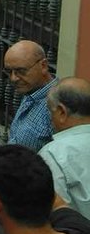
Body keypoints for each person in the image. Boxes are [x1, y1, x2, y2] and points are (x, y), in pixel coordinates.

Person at [40, 78, 90, 218]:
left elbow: (54, 216)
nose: (50, 119)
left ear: (62, 112)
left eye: (51, 112)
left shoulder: (53, 154)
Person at [1, 40, 56, 149]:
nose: (13, 78)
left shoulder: (57, 107)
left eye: (21, 71)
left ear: (43, 66)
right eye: (9, 72)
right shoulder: (30, 91)